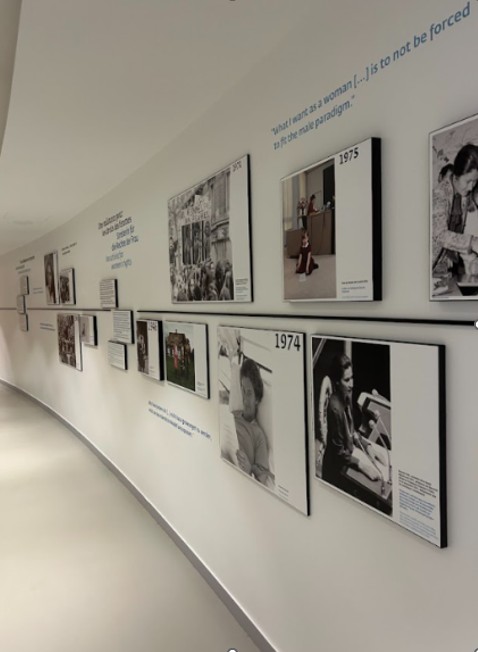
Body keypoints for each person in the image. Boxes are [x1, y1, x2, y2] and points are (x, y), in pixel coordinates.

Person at [322, 353, 386, 489]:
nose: (352, 384)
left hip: (348, 458)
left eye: (352, 378)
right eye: (347, 380)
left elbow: (351, 431)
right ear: (337, 381)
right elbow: (338, 453)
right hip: (335, 472)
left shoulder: (346, 396)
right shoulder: (335, 409)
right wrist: (361, 465)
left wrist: (367, 446)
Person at [432, 143, 478, 279]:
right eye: (468, 181)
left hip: (443, 270)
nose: (471, 187)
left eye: (475, 181)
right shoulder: (439, 193)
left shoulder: (463, 195)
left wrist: (470, 257)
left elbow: (456, 234)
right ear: (457, 174)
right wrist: (472, 242)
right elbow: (440, 235)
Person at [233, 358, 274, 486]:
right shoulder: (232, 415)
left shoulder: (258, 435)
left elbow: (262, 480)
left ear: (257, 399)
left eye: (249, 393)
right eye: (243, 391)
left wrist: (249, 469)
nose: (244, 398)